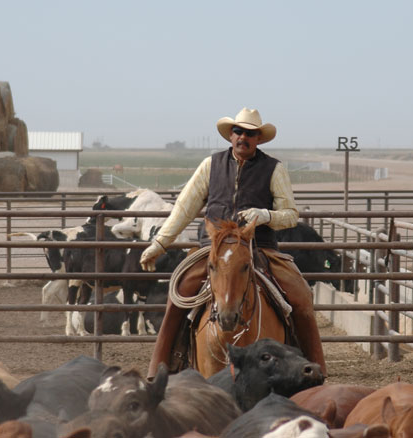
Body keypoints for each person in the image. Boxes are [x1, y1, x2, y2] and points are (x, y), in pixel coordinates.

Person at [140, 107, 327, 378]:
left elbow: (290, 216)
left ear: (258, 139)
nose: (243, 137)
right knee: (179, 295)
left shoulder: (274, 169)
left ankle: (313, 372)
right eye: (239, 131)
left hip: (259, 247)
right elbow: (184, 208)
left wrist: (266, 216)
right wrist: (159, 243)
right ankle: (162, 368)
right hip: (212, 248)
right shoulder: (210, 165)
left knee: (300, 296)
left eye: (250, 133)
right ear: (231, 135)